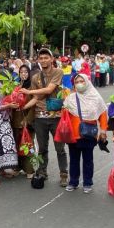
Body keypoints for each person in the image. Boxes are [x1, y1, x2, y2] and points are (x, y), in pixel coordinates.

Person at [20, 48, 68, 186]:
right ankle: (42, 172)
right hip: (40, 117)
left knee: (60, 148)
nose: (43, 60)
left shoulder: (58, 72)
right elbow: (36, 97)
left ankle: (63, 174)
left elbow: (49, 90)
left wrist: (28, 91)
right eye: (41, 58)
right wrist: (23, 107)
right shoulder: (35, 77)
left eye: (46, 57)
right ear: (38, 60)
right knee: (42, 148)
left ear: (52, 59)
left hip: (56, 116)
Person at [63, 74, 108, 193]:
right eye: (76, 81)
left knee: (88, 160)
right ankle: (73, 181)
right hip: (73, 135)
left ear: (87, 82)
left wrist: (103, 130)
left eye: (81, 81)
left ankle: (87, 182)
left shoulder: (95, 97)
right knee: (73, 159)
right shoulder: (70, 98)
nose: (79, 83)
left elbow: (102, 114)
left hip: (89, 134)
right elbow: (65, 116)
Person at [11, 65, 35, 178]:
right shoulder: (15, 86)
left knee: (27, 145)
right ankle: (18, 167)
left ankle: (29, 170)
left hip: (27, 120)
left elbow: (35, 105)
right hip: (16, 119)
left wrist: (27, 119)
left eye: (26, 72)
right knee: (16, 144)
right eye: (21, 72)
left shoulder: (32, 87)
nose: (24, 74)